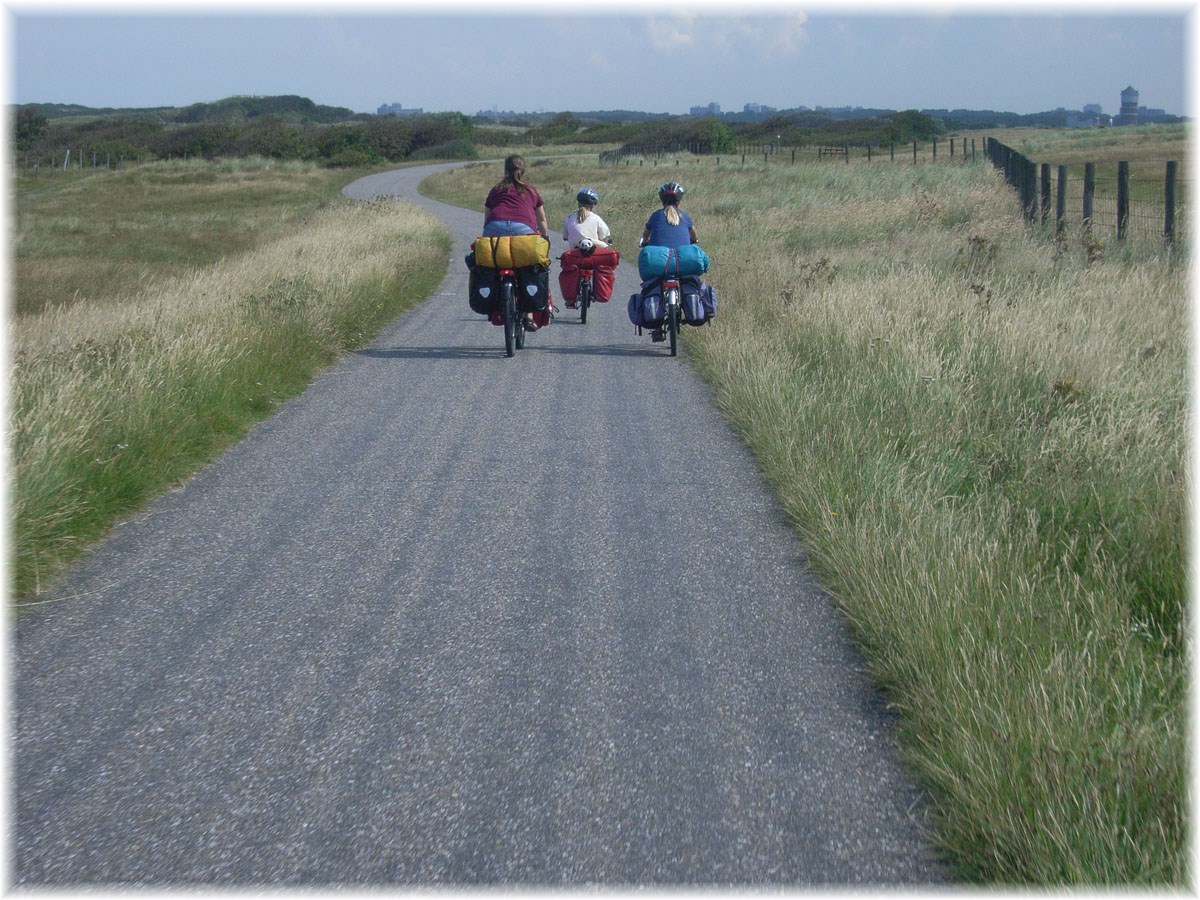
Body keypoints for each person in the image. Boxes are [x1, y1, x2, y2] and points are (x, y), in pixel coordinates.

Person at [482, 154, 552, 329]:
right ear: (523, 170)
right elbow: (541, 219)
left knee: (495, 264)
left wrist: (488, 236)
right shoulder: (531, 190)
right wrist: (544, 237)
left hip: (494, 228)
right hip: (523, 230)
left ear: (505, 170)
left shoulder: (496, 189)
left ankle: (497, 304)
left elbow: (487, 218)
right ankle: (528, 316)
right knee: (528, 268)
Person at [640, 181, 697, 249]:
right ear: (679, 200)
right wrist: (694, 240)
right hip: (681, 256)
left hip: (659, 256)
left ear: (662, 199)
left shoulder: (656, 215)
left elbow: (645, 235)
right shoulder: (685, 216)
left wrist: (644, 243)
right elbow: (694, 236)